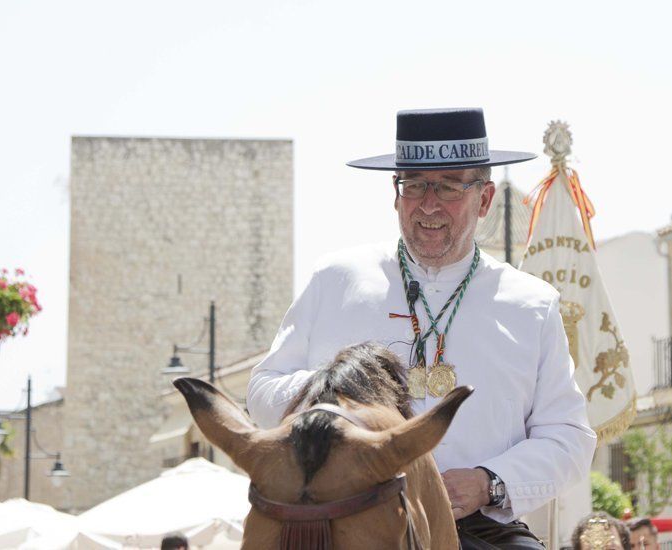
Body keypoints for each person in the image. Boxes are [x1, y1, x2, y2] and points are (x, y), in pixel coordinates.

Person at [247, 107, 597, 548]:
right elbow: (262, 390)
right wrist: (334, 394)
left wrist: (489, 482)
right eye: (413, 185)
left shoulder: (532, 304)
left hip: (473, 527)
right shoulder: (335, 279)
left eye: (449, 187)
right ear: (395, 195)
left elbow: (568, 437)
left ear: (484, 199)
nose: (428, 205)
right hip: (339, 520)